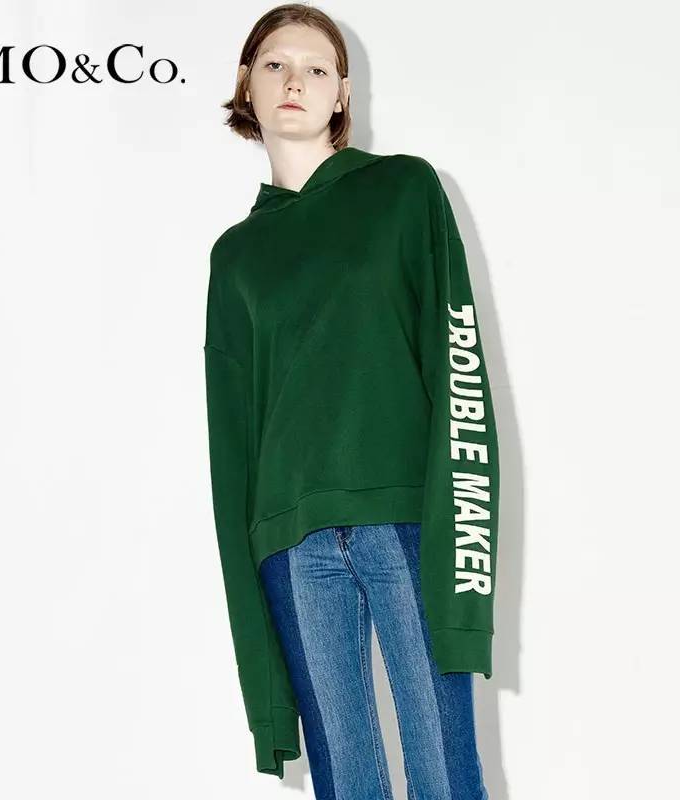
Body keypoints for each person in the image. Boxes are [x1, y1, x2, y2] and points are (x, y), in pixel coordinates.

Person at [203, 4, 499, 799]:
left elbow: (457, 367)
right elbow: (231, 443)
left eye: (316, 68)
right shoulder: (236, 256)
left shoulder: (403, 190)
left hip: (404, 520)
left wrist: (465, 534)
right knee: (347, 782)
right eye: (275, 64)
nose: (294, 80)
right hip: (290, 541)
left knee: (444, 772)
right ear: (247, 83)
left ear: (342, 93)